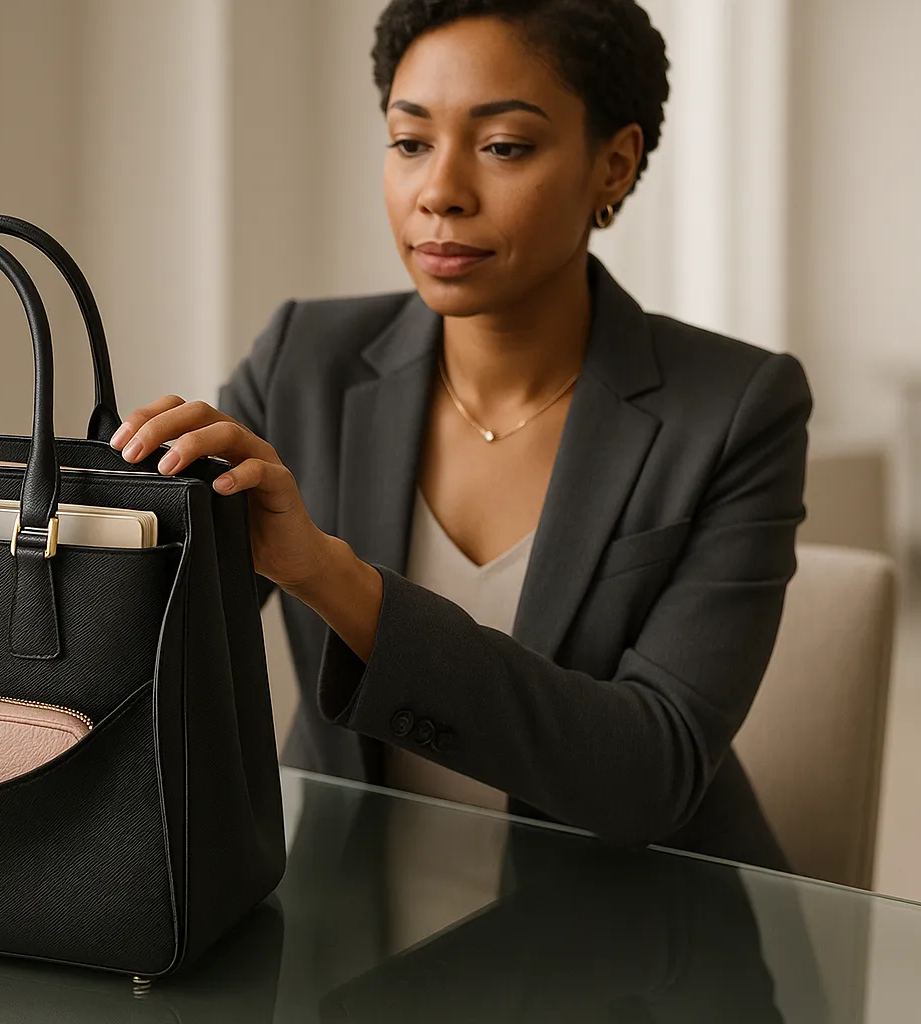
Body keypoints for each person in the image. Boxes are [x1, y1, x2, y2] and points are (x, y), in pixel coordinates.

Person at [109, 0, 810, 871]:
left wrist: (332, 579)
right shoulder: (304, 360)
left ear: (614, 165)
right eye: (410, 143)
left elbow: (650, 772)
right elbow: (148, 655)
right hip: (339, 919)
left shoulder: (738, 407)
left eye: (503, 146)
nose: (439, 191)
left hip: (627, 954)